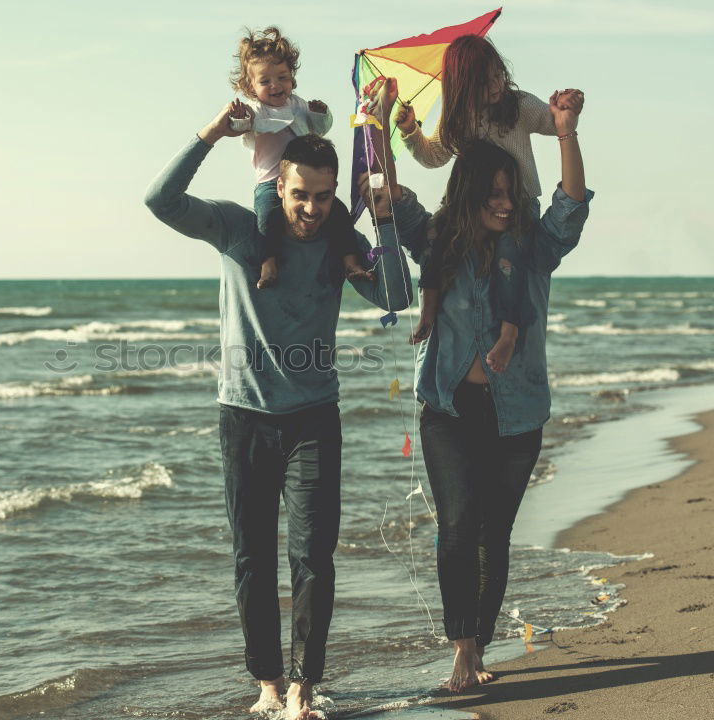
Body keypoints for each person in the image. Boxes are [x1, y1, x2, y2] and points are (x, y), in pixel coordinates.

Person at [144, 104, 411, 718]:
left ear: (333, 195)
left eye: (321, 197)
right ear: (278, 187)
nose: (310, 209)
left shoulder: (343, 245)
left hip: (315, 417)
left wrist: (386, 223)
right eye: (298, 195)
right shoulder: (240, 231)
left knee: (314, 556)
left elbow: (398, 294)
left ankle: (303, 688)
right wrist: (212, 132)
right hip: (243, 417)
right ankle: (266, 682)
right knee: (252, 557)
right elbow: (160, 200)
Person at [365, 77, 590, 693]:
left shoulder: (533, 247)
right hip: (447, 408)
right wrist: (378, 125)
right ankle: (463, 652)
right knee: (459, 524)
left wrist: (566, 132)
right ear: (468, 194)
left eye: (509, 193)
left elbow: (570, 205)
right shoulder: (439, 241)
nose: (504, 203)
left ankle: (478, 646)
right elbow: (389, 195)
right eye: (492, 194)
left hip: (516, 417)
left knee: (494, 533)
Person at [390, 35, 583, 372]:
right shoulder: (458, 118)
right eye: (485, 81)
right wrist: (410, 131)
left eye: (498, 75)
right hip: (467, 208)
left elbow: (554, 124)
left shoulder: (519, 106)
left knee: (511, 258)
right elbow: (434, 156)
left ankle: (509, 335)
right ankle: (428, 312)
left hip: (519, 205)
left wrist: (567, 108)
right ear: (463, 86)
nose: (496, 85)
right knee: (436, 240)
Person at [227, 26, 371, 289]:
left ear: (292, 77)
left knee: (339, 212)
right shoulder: (255, 111)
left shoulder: (298, 104)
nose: (275, 86)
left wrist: (319, 112)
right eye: (265, 81)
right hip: (271, 182)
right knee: (266, 218)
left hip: (307, 181)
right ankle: (268, 265)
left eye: (282, 77)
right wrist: (238, 119)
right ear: (250, 85)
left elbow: (321, 128)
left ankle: (351, 262)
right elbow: (240, 128)